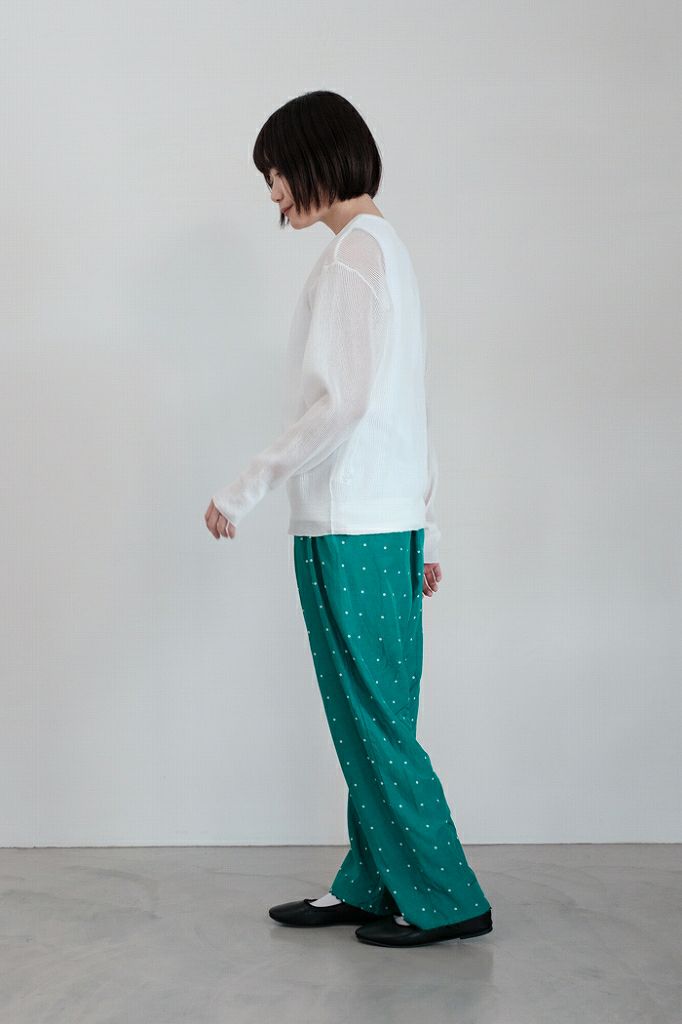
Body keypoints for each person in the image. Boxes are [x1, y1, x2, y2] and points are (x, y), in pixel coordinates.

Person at [204, 90, 493, 948]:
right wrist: (427, 528)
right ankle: (372, 882)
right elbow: (411, 404)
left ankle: (447, 897)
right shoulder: (385, 250)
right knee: (376, 718)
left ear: (318, 157)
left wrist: (244, 488)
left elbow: (344, 405)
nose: (272, 193)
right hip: (384, 521)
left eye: (277, 172)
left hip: (350, 524)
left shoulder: (353, 257)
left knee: (372, 722)